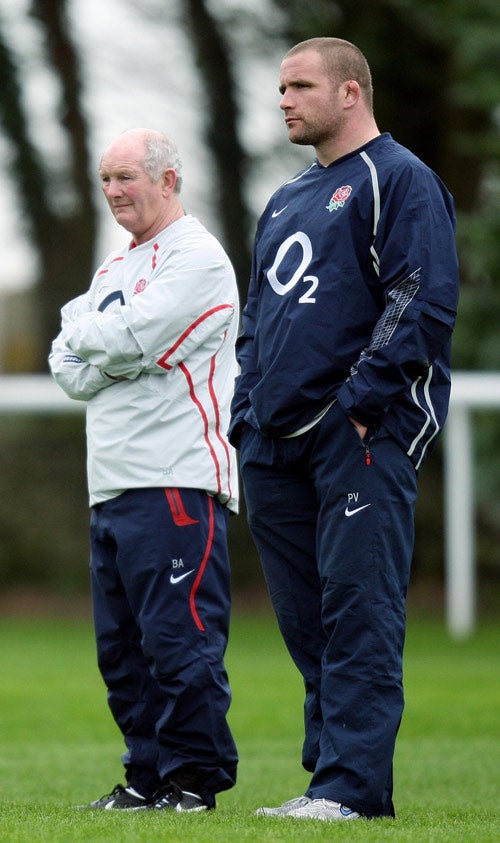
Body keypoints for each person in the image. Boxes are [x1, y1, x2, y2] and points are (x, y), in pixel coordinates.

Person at [229, 37, 459, 822]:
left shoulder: (399, 178)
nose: (284, 99)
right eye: (281, 86)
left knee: (359, 610)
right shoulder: (288, 197)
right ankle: (325, 778)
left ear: (351, 93)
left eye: (300, 85)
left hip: (359, 431)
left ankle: (352, 789)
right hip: (272, 439)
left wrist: (361, 401)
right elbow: (259, 315)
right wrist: (245, 410)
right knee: (304, 619)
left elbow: (419, 295)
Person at [49, 128, 239, 812]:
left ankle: (194, 779)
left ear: (167, 180)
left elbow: (130, 338)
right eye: (105, 178)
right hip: (111, 484)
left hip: (175, 479)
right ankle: (146, 774)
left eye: (126, 176)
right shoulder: (113, 269)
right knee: (121, 652)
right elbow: (68, 366)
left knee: (177, 641)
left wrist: (102, 338)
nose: (112, 191)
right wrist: (110, 341)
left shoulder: (199, 258)